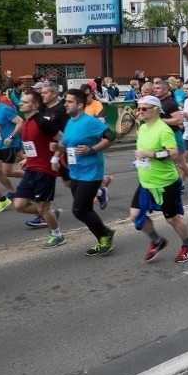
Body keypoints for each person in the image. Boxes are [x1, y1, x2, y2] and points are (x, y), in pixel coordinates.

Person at [130, 95, 188, 263]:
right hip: (146, 182)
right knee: (135, 215)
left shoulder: (163, 129)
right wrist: (139, 160)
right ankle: (157, 240)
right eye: (139, 108)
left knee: (172, 219)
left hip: (165, 182)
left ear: (156, 110)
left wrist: (149, 155)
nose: (140, 111)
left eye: (144, 108)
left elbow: (173, 154)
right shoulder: (143, 128)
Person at [52, 89, 117, 256]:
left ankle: (105, 235)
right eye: (65, 101)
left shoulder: (90, 122)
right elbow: (68, 145)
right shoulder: (71, 122)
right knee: (86, 209)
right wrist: (57, 149)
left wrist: (92, 149)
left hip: (91, 171)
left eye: (69, 101)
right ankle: (103, 237)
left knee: (79, 210)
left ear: (80, 105)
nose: (65, 104)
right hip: (75, 172)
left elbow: (111, 136)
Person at [14, 90, 65, 248]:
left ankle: (57, 235)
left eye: (26, 102)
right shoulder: (25, 122)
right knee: (19, 205)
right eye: (21, 101)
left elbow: (63, 139)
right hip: (31, 169)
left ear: (35, 105)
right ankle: (50, 214)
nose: (21, 104)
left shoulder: (43, 121)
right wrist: (28, 160)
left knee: (43, 207)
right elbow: (33, 147)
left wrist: (55, 157)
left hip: (45, 170)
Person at [0, 88, 23, 199]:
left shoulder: (5, 109)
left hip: (9, 144)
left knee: (7, 172)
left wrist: (11, 137)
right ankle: (12, 191)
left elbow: (20, 122)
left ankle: (33, 176)